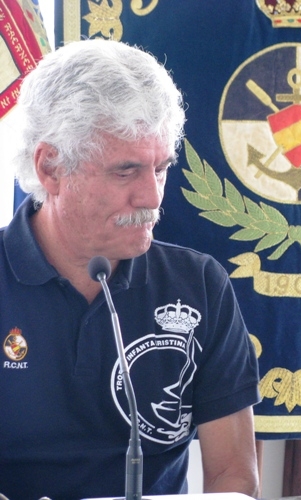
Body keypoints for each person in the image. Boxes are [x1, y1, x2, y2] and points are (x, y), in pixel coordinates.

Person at [0, 39, 260, 499]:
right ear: (51, 167)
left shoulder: (200, 284)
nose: (152, 197)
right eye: (126, 172)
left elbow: (233, 477)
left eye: (160, 168)